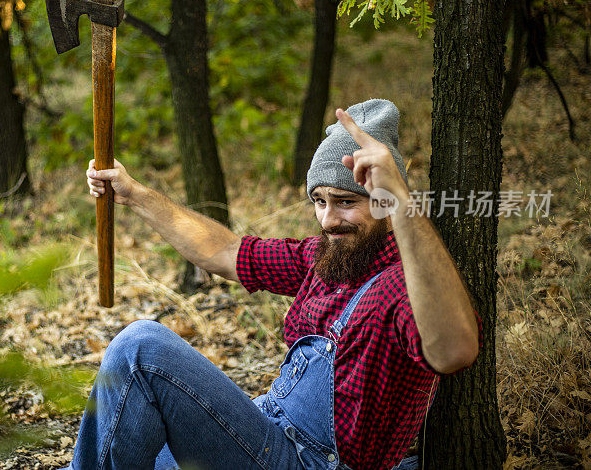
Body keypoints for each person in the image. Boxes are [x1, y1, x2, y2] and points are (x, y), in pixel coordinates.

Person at [63, 99, 480, 470]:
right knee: (132, 431)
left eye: (346, 201)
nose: (329, 219)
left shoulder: (405, 287)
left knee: (141, 349)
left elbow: (456, 350)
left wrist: (402, 199)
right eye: (320, 201)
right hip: (266, 432)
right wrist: (134, 194)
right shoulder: (325, 259)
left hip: (307, 460)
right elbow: (225, 253)